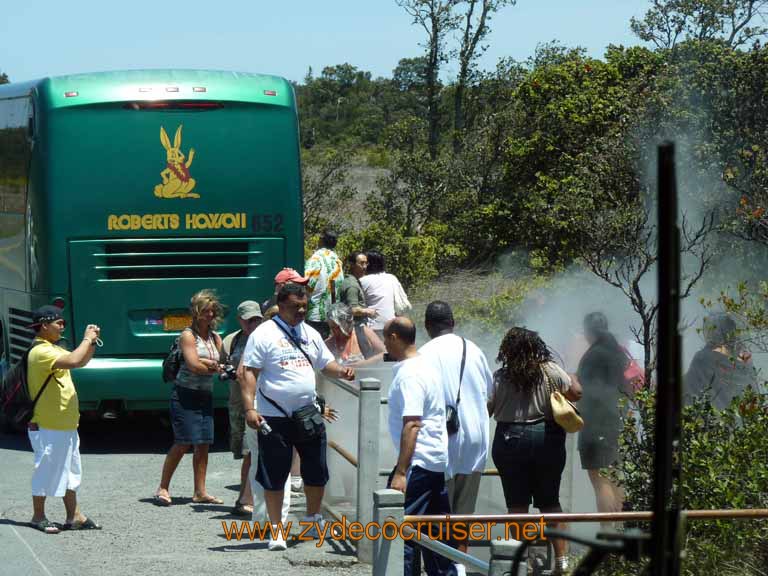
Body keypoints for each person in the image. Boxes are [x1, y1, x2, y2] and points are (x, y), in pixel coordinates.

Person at [240, 282, 354, 551]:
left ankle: (313, 519)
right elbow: (249, 373)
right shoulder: (264, 334)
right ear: (281, 305)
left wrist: (343, 372)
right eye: (295, 307)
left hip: (308, 413)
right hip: (274, 416)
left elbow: (326, 364)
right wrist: (249, 408)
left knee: (316, 471)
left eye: (304, 306)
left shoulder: (311, 333)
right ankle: (277, 530)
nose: (301, 311)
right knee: (275, 474)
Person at [488, 327, 582, 575]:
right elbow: (576, 394)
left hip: (509, 440)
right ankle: (561, 561)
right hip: (547, 439)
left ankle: (522, 561)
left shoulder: (500, 376)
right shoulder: (551, 370)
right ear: (536, 347)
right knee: (550, 503)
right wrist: (571, 375)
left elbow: (488, 408)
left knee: (517, 506)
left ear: (507, 350)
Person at [418, 301, 493, 557]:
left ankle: (442, 565)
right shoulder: (473, 349)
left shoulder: (424, 354)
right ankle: (460, 564)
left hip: (442, 440)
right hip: (475, 438)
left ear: (427, 326)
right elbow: (489, 394)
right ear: (453, 323)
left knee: (439, 513)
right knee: (463, 514)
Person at [383, 317, 457, 576]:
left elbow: (413, 423)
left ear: (394, 337)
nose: (384, 345)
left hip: (418, 463)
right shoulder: (426, 365)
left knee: (402, 531)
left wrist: (401, 472)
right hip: (435, 460)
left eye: (385, 338)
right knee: (437, 533)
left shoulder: (410, 374)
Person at [26, 305, 102, 534]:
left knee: (70, 472)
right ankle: (38, 516)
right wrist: (86, 339)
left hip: (64, 424)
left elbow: (81, 360)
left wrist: (91, 343)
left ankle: (74, 516)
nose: (62, 326)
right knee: (46, 470)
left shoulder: (53, 348)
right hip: (48, 424)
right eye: (58, 323)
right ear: (43, 325)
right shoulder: (41, 352)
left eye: (63, 323)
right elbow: (74, 360)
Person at [155, 290, 225, 507]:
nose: (210, 314)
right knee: (183, 442)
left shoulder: (215, 337)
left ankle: (200, 491)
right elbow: (193, 365)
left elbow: (222, 363)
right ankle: (163, 487)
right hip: (185, 394)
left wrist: (216, 366)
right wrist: (212, 367)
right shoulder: (188, 335)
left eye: (213, 311)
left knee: (204, 443)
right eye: (206, 311)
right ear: (196, 313)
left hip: (205, 394)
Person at [576, 312, 627, 518]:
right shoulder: (617, 351)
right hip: (617, 420)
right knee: (616, 477)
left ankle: (608, 533)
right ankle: (624, 529)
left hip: (596, 423)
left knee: (600, 481)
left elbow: (585, 390)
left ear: (589, 331)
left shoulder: (594, 355)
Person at [222, 300, 264, 516]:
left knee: (251, 452)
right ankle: (247, 496)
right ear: (240, 320)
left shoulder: (266, 338)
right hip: (238, 403)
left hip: (260, 404)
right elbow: (223, 365)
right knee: (244, 451)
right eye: (249, 321)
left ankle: (245, 499)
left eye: (257, 319)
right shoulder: (231, 340)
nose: (253, 324)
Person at [684, 313, 758, 410]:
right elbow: (754, 394)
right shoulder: (745, 357)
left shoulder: (703, 358)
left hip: (714, 420)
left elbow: (689, 391)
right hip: (746, 420)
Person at [360, 250, 411, 339]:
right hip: (391, 325)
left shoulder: (363, 281)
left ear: (368, 264)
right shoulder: (391, 278)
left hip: (372, 328)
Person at [305, 230, 344, 339]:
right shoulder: (338, 261)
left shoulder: (315, 259)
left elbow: (307, 284)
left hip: (315, 314)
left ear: (321, 240)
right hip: (332, 314)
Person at [339, 251, 377, 326]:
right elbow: (352, 309)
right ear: (352, 265)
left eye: (366, 263)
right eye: (361, 263)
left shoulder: (353, 281)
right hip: (355, 327)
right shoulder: (352, 285)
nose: (365, 267)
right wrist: (367, 311)